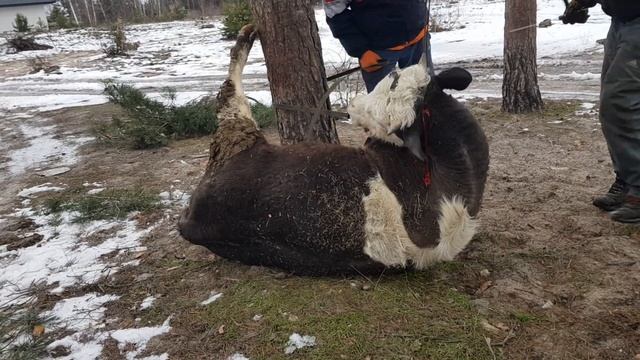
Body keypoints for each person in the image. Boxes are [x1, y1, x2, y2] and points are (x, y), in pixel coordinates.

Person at [562, 0, 640, 223]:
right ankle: (627, 181)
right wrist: (579, 5)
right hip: (621, 22)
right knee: (611, 107)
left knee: (622, 104)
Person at [324, 0, 428, 93]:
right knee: (381, 108)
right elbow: (334, 11)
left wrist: (422, 16)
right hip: (377, 53)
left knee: (426, 98)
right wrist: (361, 50)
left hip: (418, 40)